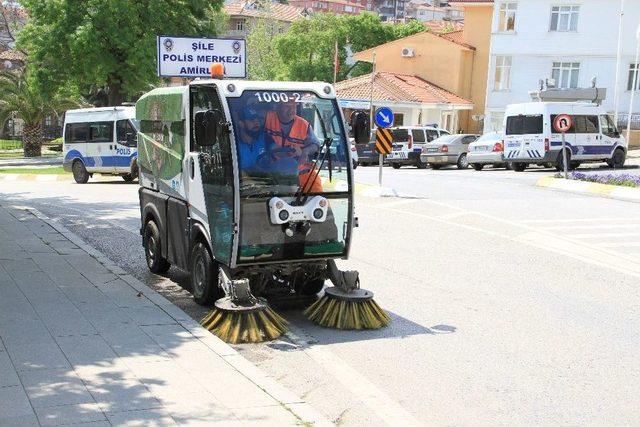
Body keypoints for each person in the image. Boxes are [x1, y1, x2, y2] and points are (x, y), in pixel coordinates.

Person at [264, 99, 323, 193]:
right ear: (277, 107)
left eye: (294, 106)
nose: (292, 110)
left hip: (302, 172)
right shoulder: (267, 117)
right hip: (274, 173)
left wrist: (305, 151)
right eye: (287, 106)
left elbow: (315, 145)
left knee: (320, 201)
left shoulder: (304, 124)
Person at [236, 106, 267, 173]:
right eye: (251, 120)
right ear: (241, 123)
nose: (256, 123)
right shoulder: (234, 145)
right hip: (242, 182)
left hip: (267, 181)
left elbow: (275, 147)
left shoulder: (263, 137)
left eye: (257, 119)